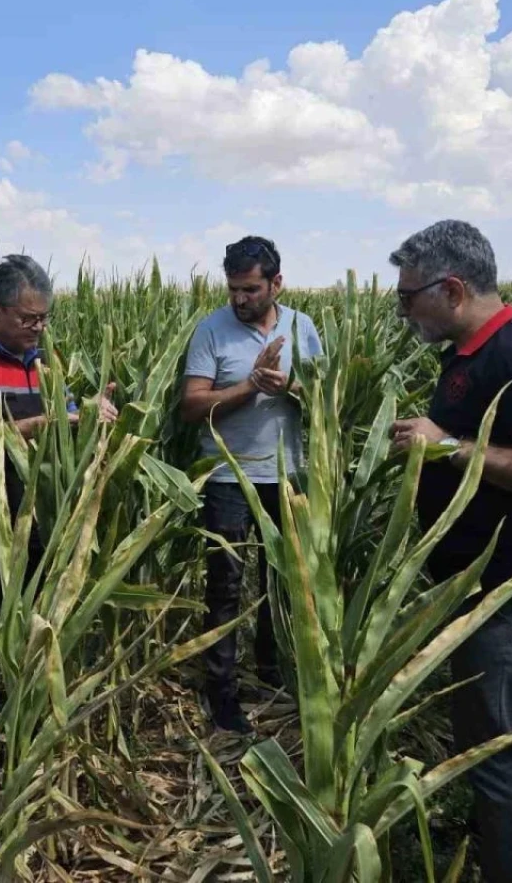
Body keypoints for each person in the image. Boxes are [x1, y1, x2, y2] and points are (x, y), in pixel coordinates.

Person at [387, 220, 512, 883]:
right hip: (480, 589)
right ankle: (487, 839)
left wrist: (446, 448)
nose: (403, 310)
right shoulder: (471, 353)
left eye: (408, 296)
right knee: (480, 733)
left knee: (496, 747)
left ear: (450, 289)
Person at [0, 254, 116, 771]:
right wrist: (43, 422)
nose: (37, 328)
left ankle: (26, 719)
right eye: (28, 318)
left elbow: (67, 416)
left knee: (38, 622)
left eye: (44, 318)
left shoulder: (42, 362)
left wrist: (91, 412)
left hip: (40, 518)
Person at [179, 236, 323, 734]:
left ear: (276, 283)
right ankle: (221, 694)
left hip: (287, 476)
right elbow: (192, 406)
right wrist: (249, 386)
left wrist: (292, 387)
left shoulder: (303, 328)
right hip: (226, 477)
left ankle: (270, 672)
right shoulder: (211, 331)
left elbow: (325, 398)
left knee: (282, 583)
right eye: (233, 289)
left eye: (251, 289)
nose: (239, 299)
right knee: (225, 584)